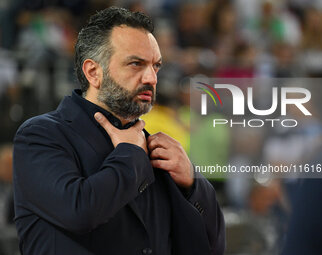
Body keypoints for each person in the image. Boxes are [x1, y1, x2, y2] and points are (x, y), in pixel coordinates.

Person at [12, 7, 225, 255]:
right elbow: (80, 212)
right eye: (136, 63)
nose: (152, 78)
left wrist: (192, 183)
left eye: (156, 66)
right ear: (93, 72)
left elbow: (212, 247)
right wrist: (128, 154)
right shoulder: (41, 135)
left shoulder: (154, 147)